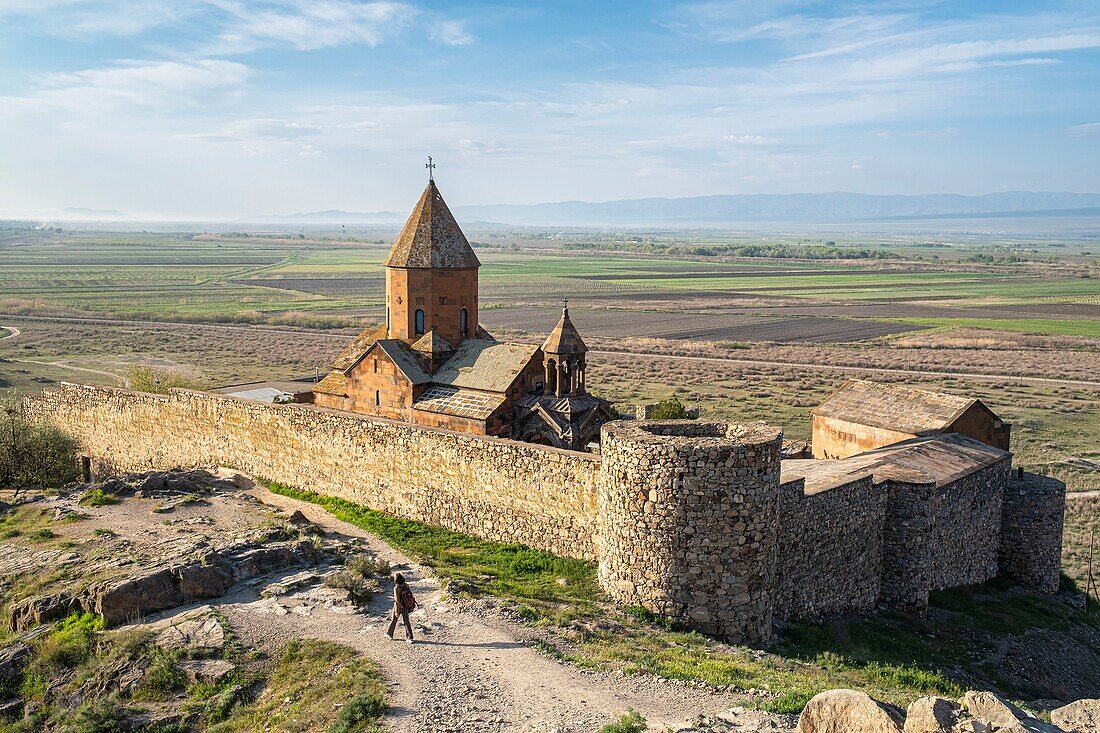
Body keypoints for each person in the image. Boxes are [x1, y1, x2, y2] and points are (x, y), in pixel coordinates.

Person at [386, 572, 415, 644]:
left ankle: (389, 634)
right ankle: (410, 637)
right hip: (406, 606)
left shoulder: (396, 588)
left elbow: (397, 601)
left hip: (399, 607)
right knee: (406, 621)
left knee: (394, 620)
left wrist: (397, 611)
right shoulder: (406, 585)